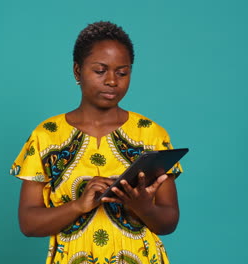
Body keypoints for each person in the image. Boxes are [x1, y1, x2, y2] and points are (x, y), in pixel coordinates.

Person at [10, 21, 183, 264]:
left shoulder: (152, 135)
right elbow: (28, 224)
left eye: (122, 72)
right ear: (77, 72)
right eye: (100, 71)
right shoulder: (46, 136)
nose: (112, 81)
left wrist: (143, 207)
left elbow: (169, 222)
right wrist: (78, 206)